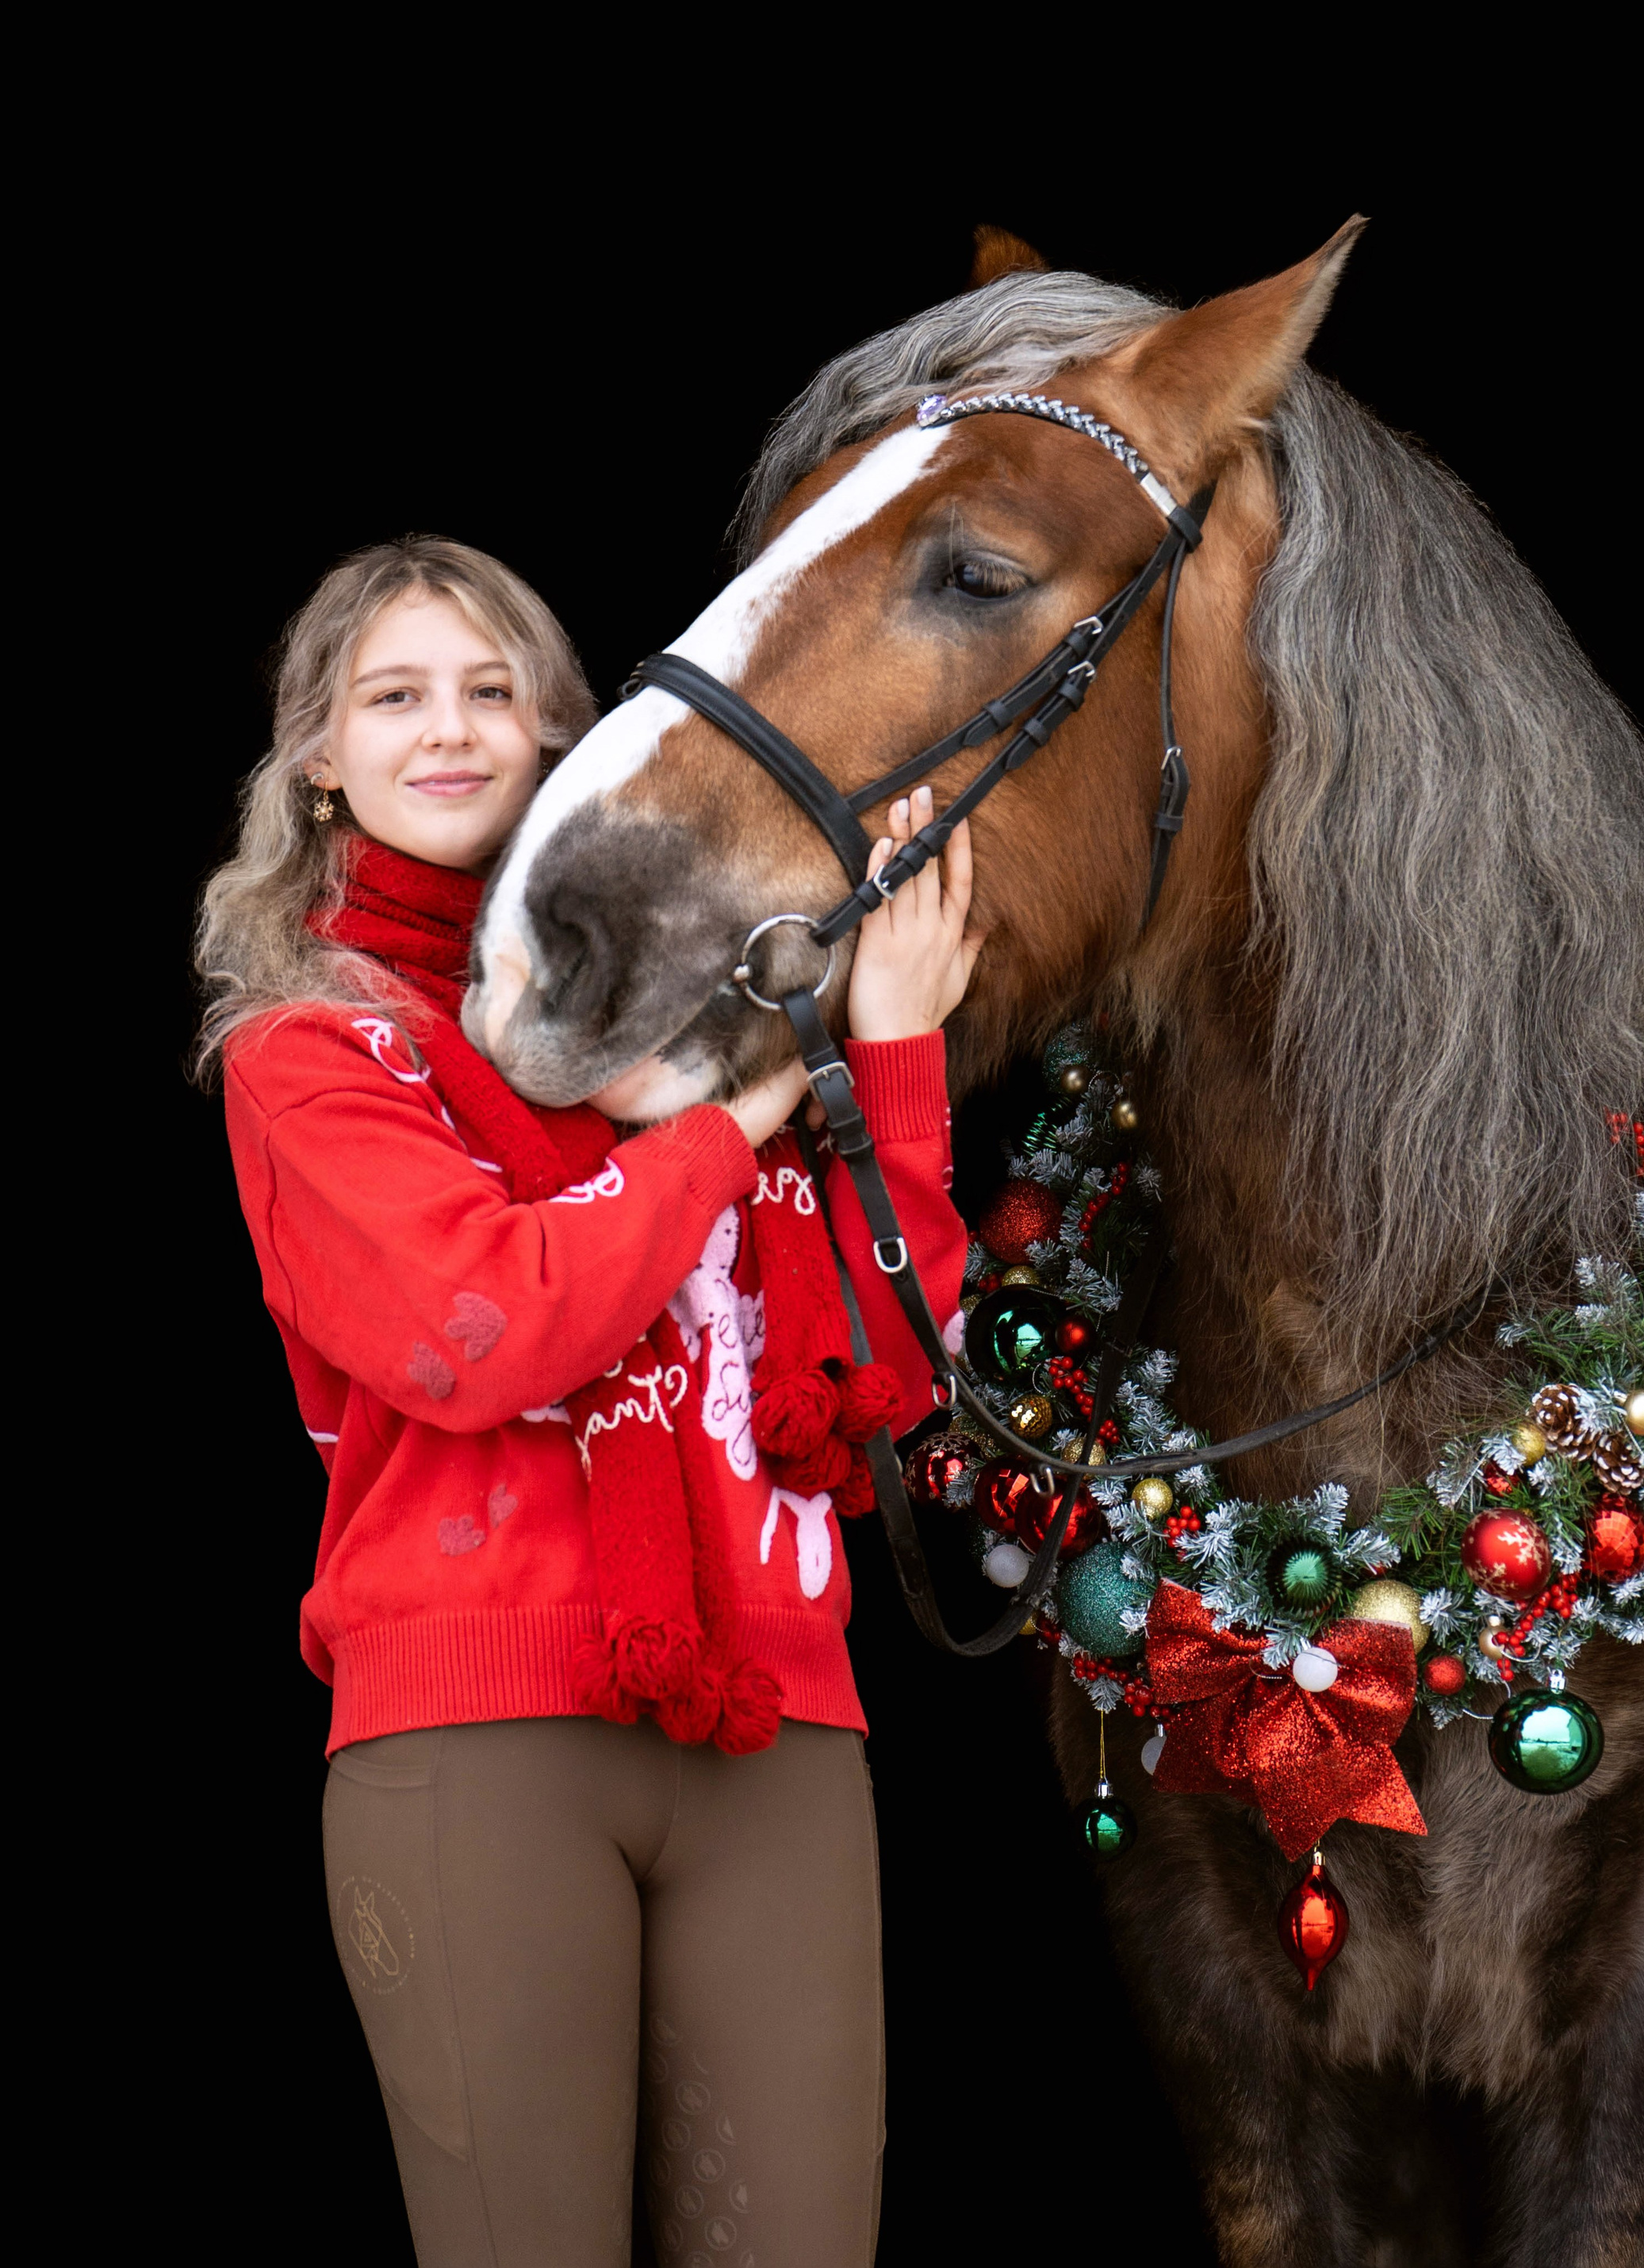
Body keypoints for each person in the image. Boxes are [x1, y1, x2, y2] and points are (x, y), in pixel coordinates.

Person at [196, 535, 975, 2266]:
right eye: (395, 697)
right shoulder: (312, 1053)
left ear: (561, 732)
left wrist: (895, 1048)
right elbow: (487, 1327)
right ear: (318, 755)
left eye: (493, 691)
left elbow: (883, 1370)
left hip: (775, 1719)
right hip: (480, 1731)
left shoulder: (693, 1025)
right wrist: (734, 1125)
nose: (450, 730)